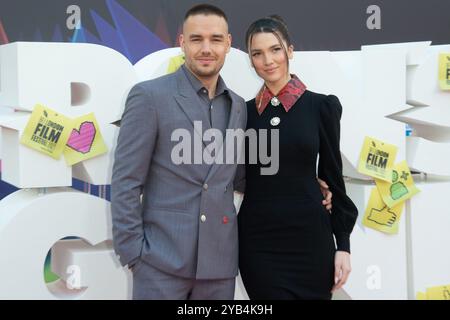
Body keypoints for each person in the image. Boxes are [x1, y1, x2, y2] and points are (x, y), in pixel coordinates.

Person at [111, 4, 332, 300]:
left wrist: (300, 180)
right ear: (181, 43)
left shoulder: (240, 107)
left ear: (228, 44)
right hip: (159, 264)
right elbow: (126, 181)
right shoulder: (149, 96)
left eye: (215, 39)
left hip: (218, 269)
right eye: (196, 39)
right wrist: (133, 254)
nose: (206, 48)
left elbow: (242, 176)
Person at [238, 15, 359, 300]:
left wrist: (343, 245)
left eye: (275, 49)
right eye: (258, 53)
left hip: (311, 243)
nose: (268, 60)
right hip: (259, 245)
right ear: (251, 60)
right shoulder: (241, 114)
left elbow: (333, 176)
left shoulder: (321, 107)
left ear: (290, 51)